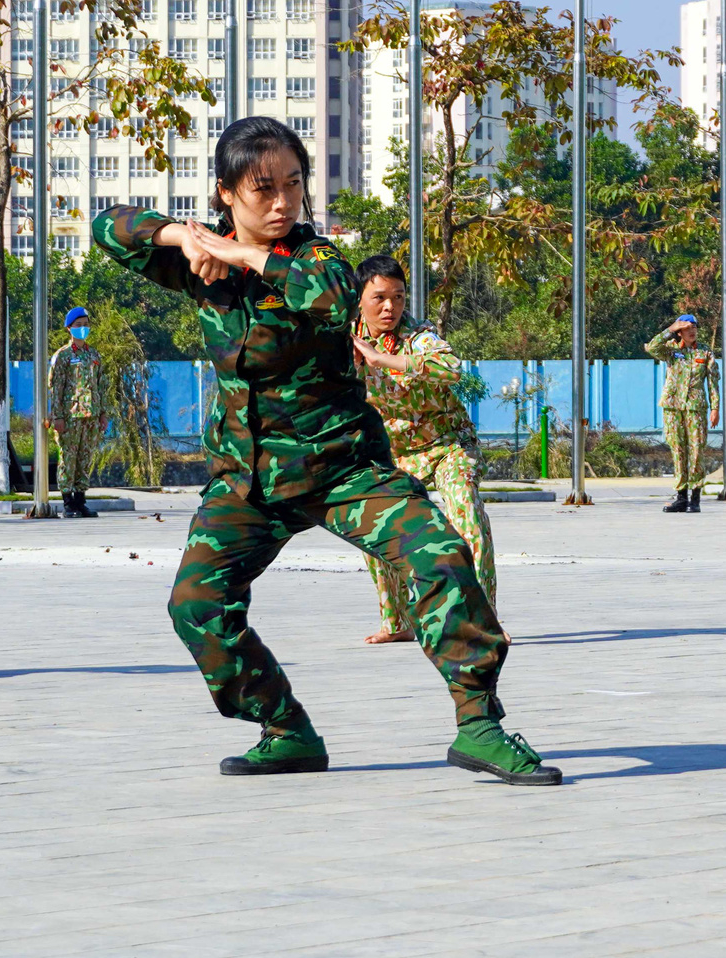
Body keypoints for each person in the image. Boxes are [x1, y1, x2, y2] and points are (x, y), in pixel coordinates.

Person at [90, 117, 557, 785]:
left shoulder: (318, 257)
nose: (282, 203)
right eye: (262, 189)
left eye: (293, 185)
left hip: (344, 468)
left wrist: (244, 256)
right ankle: (285, 729)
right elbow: (109, 226)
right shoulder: (200, 264)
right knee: (197, 605)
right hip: (250, 479)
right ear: (226, 193)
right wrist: (181, 237)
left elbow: (335, 298)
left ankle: (479, 721)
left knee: (441, 556)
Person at [350, 254, 497, 645]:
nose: (390, 307)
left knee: (466, 517)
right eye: (380, 297)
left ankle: (482, 620)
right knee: (375, 527)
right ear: (360, 298)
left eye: (398, 297)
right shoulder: (345, 337)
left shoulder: (419, 335)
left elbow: (451, 367)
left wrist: (386, 359)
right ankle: (395, 621)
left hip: (448, 446)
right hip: (394, 454)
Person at [644, 314, 719, 512]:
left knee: (696, 452)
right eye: (686, 328)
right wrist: (669, 329)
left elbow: (713, 383)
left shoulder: (705, 352)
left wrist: (715, 408)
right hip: (673, 407)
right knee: (678, 450)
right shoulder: (671, 351)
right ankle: (681, 497)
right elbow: (651, 347)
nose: (692, 331)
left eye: (694, 327)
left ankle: (695, 498)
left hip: (695, 407)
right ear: (679, 332)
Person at [48, 306, 105, 518]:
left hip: (91, 415)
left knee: (85, 457)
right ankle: (68, 502)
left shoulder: (94, 354)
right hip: (70, 416)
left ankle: (81, 500)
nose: (83, 329)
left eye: (86, 325)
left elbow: (101, 385)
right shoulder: (62, 356)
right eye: (78, 325)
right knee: (68, 458)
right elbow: (56, 389)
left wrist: (103, 413)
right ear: (69, 328)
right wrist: (58, 417)